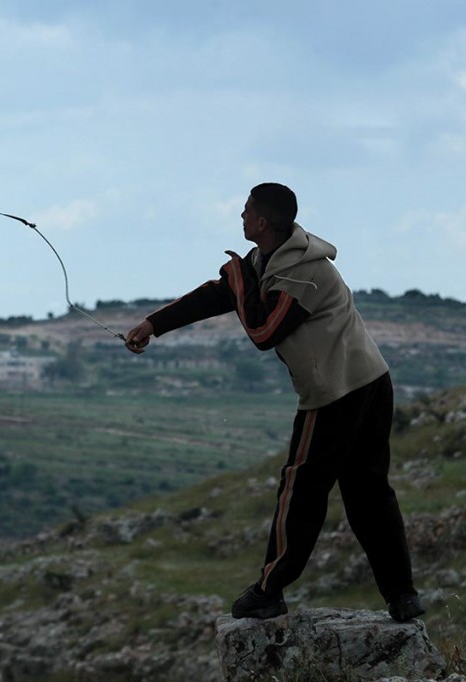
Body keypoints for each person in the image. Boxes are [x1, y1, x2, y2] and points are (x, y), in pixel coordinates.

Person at [124, 182, 424, 622]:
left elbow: (265, 333)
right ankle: (403, 596)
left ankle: (270, 590)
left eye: (246, 212)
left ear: (262, 222)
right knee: (367, 493)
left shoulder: (304, 272)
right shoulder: (271, 258)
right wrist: (155, 323)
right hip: (368, 380)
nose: (241, 218)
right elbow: (220, 293)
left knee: (301, 490)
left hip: (337, 392)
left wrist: (240, 279)